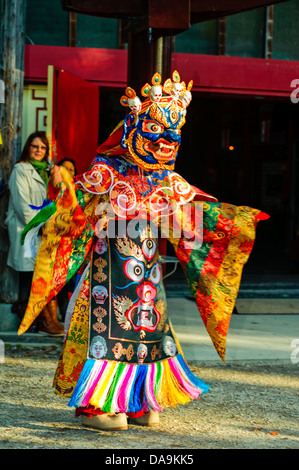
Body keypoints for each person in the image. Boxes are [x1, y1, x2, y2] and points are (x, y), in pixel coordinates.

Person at [17, 72, 268, 431]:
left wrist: (226, 224)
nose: (166, 142)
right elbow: (78, 213)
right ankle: (121, 404)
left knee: (138, 331)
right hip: (119, 268)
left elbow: (187, 223)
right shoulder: (111, 174)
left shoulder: (158, 179)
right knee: (123, 330)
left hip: (137, 273)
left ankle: (124, 402)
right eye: (157, 132)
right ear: (133, 127)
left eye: (173, 134)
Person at [5, 131, 64, 335]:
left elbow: (56, 202)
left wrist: (59, 179)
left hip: (42, 233)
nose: (38, 150)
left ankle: (48, 318)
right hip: (27, 229)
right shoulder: (20, 170)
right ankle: (38, 320)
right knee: (31, 278)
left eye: (42, 147)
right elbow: (23, 207)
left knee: (44, 277)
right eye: (34, 146)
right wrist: (44, 226)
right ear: (28, 148)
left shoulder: (47, 172)